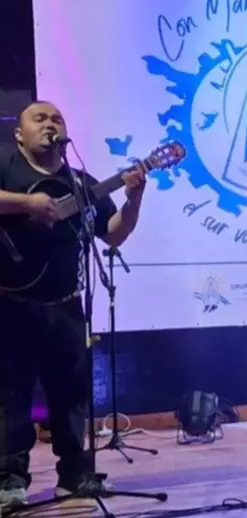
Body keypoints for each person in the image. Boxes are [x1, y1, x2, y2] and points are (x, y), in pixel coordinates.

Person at [0, 101, 147, 509]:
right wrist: (27, 204)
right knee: (11, 396)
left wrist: (134, 199)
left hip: (66, 305)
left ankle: (74, 476)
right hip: (12, 303)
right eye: (40, 118)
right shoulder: (7, 169)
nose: (50, 124)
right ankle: (9, 481)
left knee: (71, 394)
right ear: (19, 134)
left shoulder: (80, 182)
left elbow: (113, 234)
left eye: (57, 118)